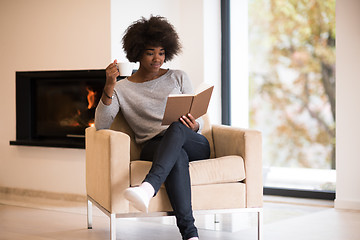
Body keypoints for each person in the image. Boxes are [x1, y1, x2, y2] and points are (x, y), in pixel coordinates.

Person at [95, 16, 210, 240]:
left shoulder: (179, 77)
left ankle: (148, 187)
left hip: (192, 140)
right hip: (154, 146)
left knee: (177, 128)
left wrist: (196, 125)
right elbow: (101, 124)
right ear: (137, 53)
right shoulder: (122, 89)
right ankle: (191, 236)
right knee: (177, 157)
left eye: (161, 52)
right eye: (150, 52)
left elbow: (200, 119)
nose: (157, 59)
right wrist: (108, 86)